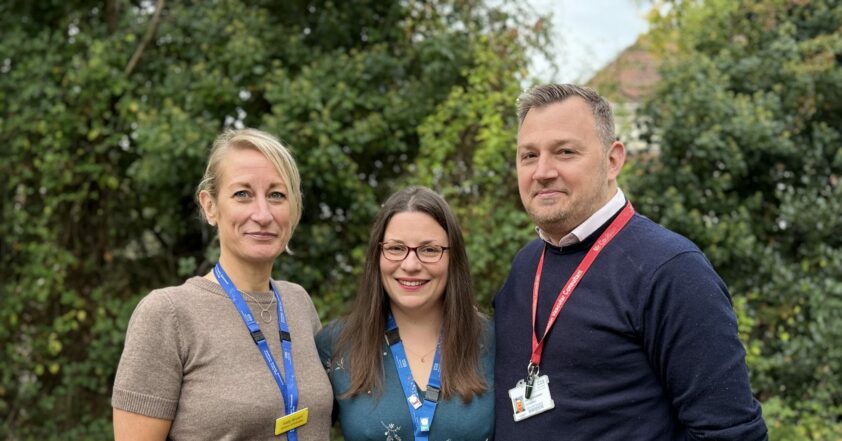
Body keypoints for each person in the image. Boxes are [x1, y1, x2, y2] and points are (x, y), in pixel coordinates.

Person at [493, 84, 768, 440]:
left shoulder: (672, 271)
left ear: (613, 160)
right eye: (529, 155)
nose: (542, 171)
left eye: (564, 152)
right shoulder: (526, 266)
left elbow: (729, 434)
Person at [112, 128, 332, 440]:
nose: (262, 213)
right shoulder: (168, 314)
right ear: (210, 206)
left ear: (293, 207)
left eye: (277, 195)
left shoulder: (298, 303)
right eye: (242, 194)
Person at [316, 186, 494, 441]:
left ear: (452, 258)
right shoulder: (335, 345)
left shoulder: (494, 342)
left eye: (429, 250)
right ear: (377, 255)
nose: (411, 265)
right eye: (396, 248)